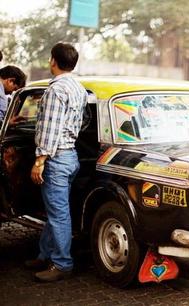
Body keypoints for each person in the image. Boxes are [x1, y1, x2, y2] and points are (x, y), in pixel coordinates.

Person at [26, 43, 88, 282]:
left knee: (58, 214)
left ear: (53, 60)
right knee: (56, 211)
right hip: (70, 156)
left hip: (56, 158)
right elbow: (82, 122)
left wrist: (39, 160)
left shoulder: (55, 90)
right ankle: (44, 255)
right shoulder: (79, 89)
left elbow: (50, 128)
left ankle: (62, 263)